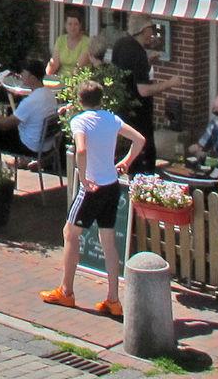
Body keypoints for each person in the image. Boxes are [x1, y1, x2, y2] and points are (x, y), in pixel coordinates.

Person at [42, 79, 145, 316]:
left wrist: (85, 178)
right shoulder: (112, 119)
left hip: (93, 187)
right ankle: (113, 299)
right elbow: (139, 140)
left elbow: (81, 149)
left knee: (70, 234)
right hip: (111, 185)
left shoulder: (80, 121)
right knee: (108, 241)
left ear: (80, 100)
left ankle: (66, 291)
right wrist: (127, 162)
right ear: (101, 100)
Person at [107, 17, 178, 172]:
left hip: (122, 106)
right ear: (145, 31)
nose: (153, 33)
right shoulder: (138, 53)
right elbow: (143, 90)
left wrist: (147, 62)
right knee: (143, 153)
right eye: (151, 29)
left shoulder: (120, 44)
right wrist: (170, 83)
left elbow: (128, 72)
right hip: (139, 112)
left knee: (124, 150)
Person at [9, 58, 58, 156]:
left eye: (23, 73)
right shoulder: (50, 94)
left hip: (31, 147)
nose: (21, 75)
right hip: (48, 145)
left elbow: (8, 123)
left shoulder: (30, 101)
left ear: (32, 78)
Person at [47, 12, 95, 77]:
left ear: (80, 25)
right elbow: (54, 64)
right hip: (60, 79)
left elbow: (78, 68)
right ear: (65, 25)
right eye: (70, 24)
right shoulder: (60, 40)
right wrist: (50, 70)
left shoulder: (87, 42)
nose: (73, 27)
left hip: (79, 80)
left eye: (76, 24)